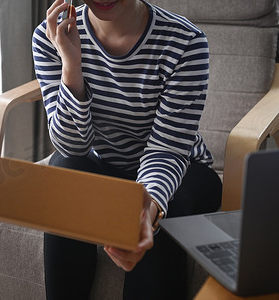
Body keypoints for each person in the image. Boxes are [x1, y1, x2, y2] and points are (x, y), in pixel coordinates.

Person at [32, 0, 222, 299]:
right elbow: (72, 147)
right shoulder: (51, 36)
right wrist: (71, 66)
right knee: (64, 175)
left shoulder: (186, 42)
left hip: (179, 168)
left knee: (165, 215)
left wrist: (147, 210)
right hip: (103, 165)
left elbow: (167, 149)